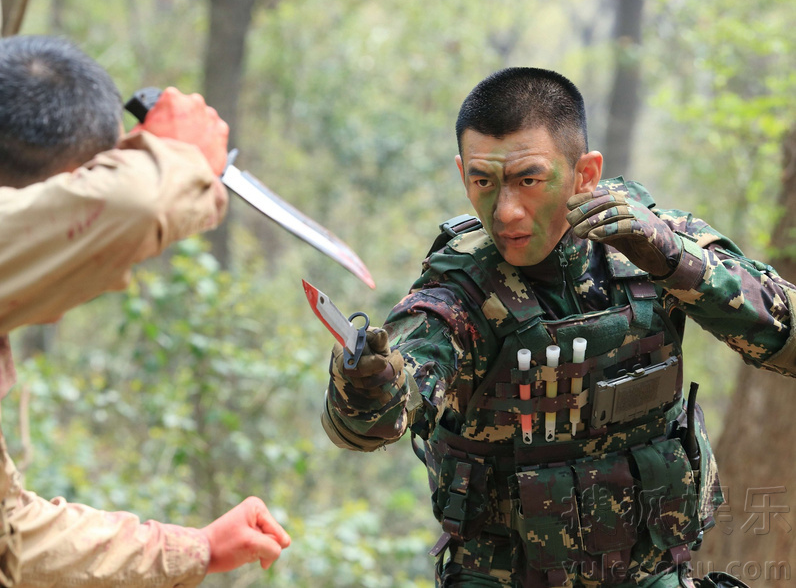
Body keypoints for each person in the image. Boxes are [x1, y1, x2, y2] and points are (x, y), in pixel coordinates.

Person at [321, 67, 794, 587]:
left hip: (650, 571)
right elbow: (374, 417)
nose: (505, 212)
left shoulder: (653, 242)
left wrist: (673, 262)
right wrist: (368, 383)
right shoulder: (459, 293)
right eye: (484, 181)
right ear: (462, 174)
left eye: (529, 180)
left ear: (585, 174)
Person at [0, 35, 290, 588]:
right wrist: (181, 155)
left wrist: (196, 549)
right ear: (67, 191)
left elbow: (6, 530)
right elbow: (133, 207)